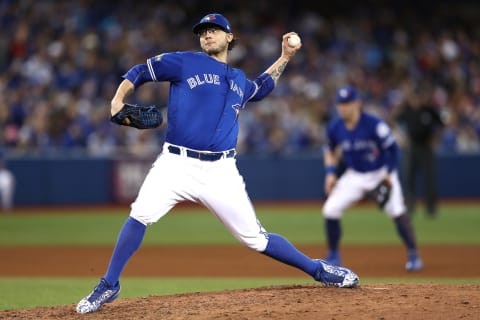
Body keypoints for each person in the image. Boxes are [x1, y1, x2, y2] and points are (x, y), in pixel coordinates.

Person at [76, 13, 359, 314]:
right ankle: (109, 284)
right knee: (139, 215)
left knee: (256, 239)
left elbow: (261, 87)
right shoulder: (184, 62)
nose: (207, 35)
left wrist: (285, 56)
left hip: (221, 171)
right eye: (203, 32)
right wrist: (117, 101)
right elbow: (140, 71)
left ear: (229, 37)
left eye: (214, 30)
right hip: (176, 164)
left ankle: (318, 270)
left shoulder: (238, 80)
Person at [321, 85, 423, 272]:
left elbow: (393, 150)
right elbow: (329, 150)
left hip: (380, 173)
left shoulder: (374, 124)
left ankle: (413, 254)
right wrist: (330, 173)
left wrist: (389, 173)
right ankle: (333, 255)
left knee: (397, 211)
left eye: (347, 103)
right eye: (340, 104)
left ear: (357, 103)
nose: (343, 107)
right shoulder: (335, 127)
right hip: (355, 175)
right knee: (330, 209)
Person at [395, 88, 445, 217]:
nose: (416, 100)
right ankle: (410, 207)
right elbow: (394, 121)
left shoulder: (429, 110)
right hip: (411, 147)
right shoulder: (407, 111)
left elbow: (441, 124)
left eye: (418, 98)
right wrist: (401, 137)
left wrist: (436, 138)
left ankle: (431, 209)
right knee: (408, 178)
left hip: (426, 147)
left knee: (429, 179)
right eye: (414, 98)